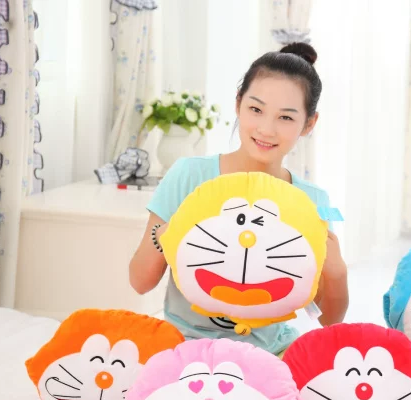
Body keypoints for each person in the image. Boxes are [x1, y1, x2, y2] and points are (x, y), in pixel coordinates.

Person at [128, 42, 349, 354]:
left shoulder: (311, 200)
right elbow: (140, 282)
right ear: (238, 104)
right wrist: (165, 235)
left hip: (268, 353)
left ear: (309, 124)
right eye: (256, 110)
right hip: (186, 348)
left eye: (286, 118)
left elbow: (329, 320)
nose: (266, 129)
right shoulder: (189, 175)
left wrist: (337, 271)